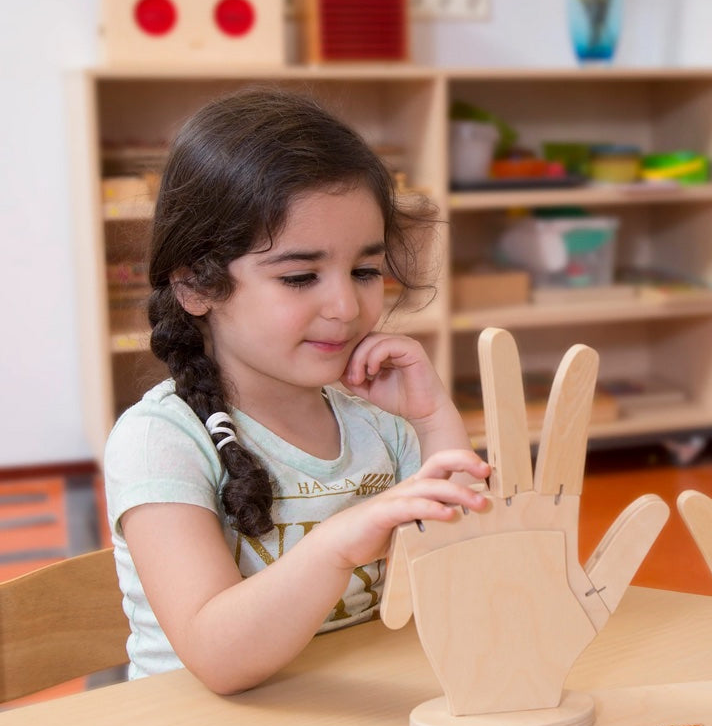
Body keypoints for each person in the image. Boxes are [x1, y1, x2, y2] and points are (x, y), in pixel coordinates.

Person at [103, 88, 490, 695]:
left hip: (347, 712)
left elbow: (467, 583)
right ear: (196, 287)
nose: (345, 305)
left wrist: (432, 419)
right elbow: (217, 658)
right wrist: (338, 544)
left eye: (365, 271)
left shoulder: (380, 426)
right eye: (300, 276)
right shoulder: (160, 441)